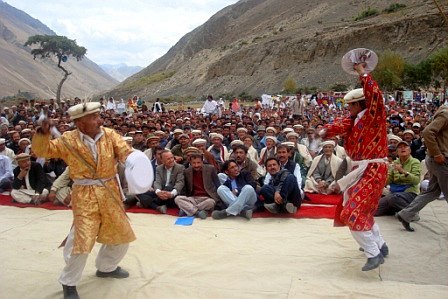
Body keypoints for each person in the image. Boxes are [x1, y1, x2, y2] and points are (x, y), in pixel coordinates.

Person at [32, 102, 137, 299]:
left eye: (98, 115)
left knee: (121, 233)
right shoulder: (67, 140)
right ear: (80, 123)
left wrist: (135, 161)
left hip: (109, 191)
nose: (99, 120)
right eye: (94, 117)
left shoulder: (109, 134)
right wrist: (42, 133)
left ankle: (106, 267)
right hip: (84, 194)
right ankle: (68, 282)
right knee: (82, 240)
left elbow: (125, 151)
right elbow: (42, 151)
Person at [321, 64, 389, 271]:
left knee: (353, 212)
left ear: (360, 105)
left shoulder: (374, 116)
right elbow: (338, 126)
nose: (347, 110)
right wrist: (322, 133)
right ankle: (380, 245)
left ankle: (374, 253)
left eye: (350, 106)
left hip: (373, 168)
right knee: (363, 210)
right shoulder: (354, 120)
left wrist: (362, 73)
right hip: (360, 169)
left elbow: (375, 95)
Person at [397, 105, 448, 232]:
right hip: (440, 160)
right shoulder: (446, 114)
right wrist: (437, 153)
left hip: (437, 159)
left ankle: (406, 214)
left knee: (433, 191)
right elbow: (427, 132)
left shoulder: (443, 112)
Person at [375, 141, 421, 217]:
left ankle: (412, 213)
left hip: (410, 193)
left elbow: (416, 180)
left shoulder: (415, 162)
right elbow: (388, 180)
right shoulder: (394, 163)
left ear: (410, 150)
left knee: (393, 198)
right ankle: (397, 209)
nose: (402, 148)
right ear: (397, 152)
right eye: (400, 147)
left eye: (405, 146)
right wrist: (382, 176)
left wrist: (402, 171)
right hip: (394, 192)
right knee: (375, 209)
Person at [174, 153, 220, 219]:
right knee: (177, 199)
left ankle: (188, 210)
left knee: (211, 202)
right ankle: (198, 212)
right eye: (194, 163)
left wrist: (218, 199)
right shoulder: (187, 171)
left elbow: (217, 184)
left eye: (198, 163)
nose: (196, 165)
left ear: (202, 162)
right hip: (193, 198)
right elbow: (185, 188)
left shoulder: (210, 169)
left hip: (207, 198)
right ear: (190, 162)